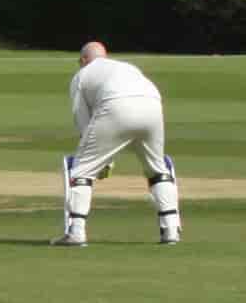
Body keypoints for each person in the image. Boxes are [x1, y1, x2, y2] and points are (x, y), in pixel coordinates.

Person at [61, 39, 180, 248]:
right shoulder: (126, 66)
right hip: (152, 104)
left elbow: (82, 121)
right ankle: (171, 229)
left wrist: (101, 162)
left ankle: (76, 232)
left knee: (80, 170)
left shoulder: (81, 75)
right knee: (157, 169)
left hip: (116, 104)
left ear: (82, 60)